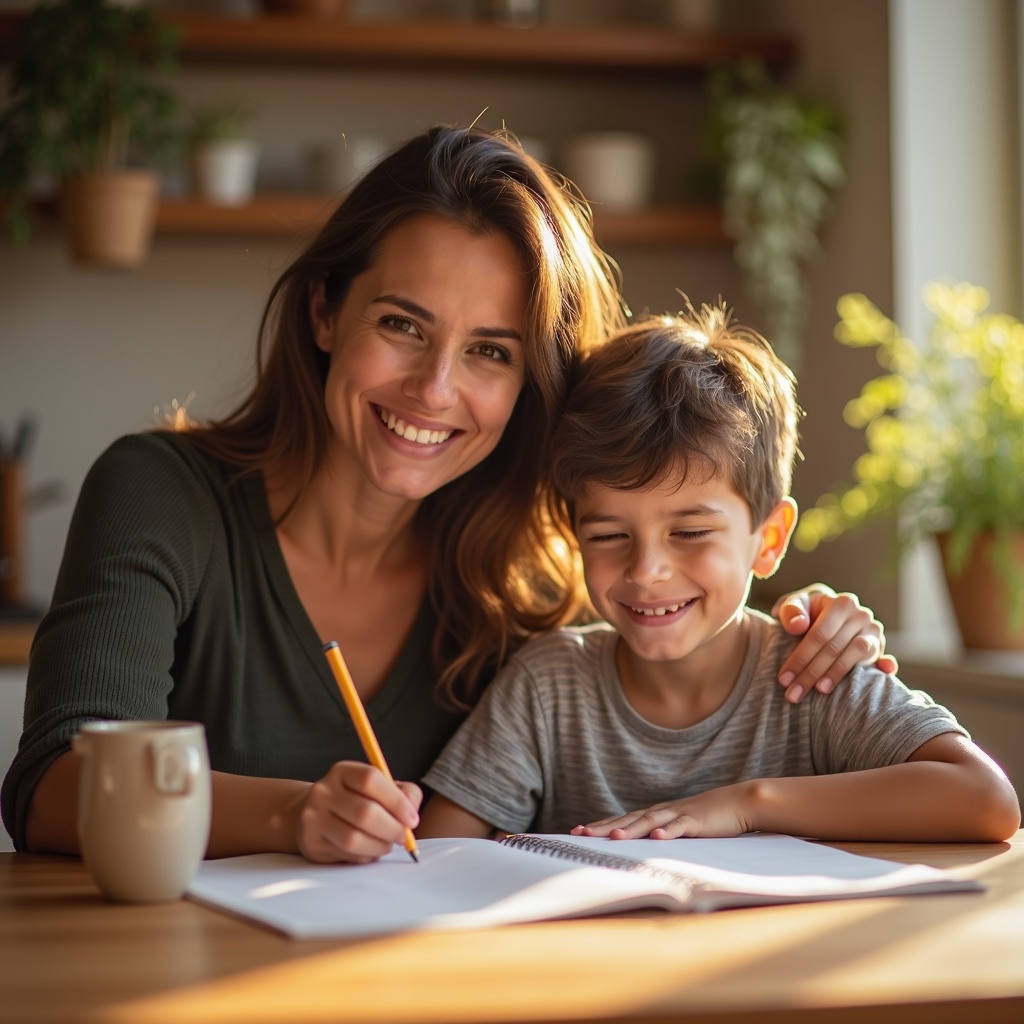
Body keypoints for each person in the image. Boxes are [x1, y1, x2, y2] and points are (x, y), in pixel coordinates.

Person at [2, 126, 898, 865]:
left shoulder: (531, 587)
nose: (434, 388)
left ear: (528, 383)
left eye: (490, 351)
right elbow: (51, 790)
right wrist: (287, 817)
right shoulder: (161, 493)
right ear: (323, 313)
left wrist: (805, 627)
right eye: (401, 325)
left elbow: (677, 679)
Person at [418, 303, 1020, 843]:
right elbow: (440, 851)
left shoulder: (812, 672)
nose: (647, 570)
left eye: (689, 533)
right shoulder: (547, 687)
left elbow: (986, 801)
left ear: (770, 539)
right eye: (607, 535)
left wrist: (748, 804)